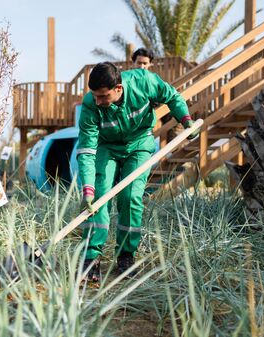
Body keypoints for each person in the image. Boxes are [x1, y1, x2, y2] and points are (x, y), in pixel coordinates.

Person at [77, 62, 199, 282]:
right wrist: (88, 188)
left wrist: (186, 119)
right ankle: (91, 258)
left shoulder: (144, 81)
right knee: (98, 198)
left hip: (139, 144)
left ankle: (125, 256)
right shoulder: (90, 105)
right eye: (95, 96)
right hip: (107, 148)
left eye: (103, 96)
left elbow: (172, 96)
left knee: (131, 197)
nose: (98, 101)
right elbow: (86, 151)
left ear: (119, 89)